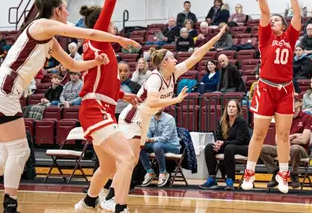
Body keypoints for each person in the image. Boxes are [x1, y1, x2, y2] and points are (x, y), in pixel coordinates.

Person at [0, 0, 136, 212]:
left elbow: (73, 66)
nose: (68, 12)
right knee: (19, 152)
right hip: (2, 88)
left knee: (9, 155)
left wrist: (95, 61)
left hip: (1, 90)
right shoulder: (42, 25)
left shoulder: (49, 39)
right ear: (56, 11)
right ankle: (10, 205)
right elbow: (89, 32)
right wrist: (119, 39)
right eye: (65, 9)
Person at [102, 27, 227, 210]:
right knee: (129, 161)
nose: (176, 59)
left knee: (131, 161)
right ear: (165, 63)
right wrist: (176, 99)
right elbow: (151, 103)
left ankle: (110, 196)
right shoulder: (155, 78)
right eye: (172, 57)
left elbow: (196, 56)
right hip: (132, 118)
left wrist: (214, 39)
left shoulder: (173, 73)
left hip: (144, 121)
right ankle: (115, 200)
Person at [74, 0, 142, 213]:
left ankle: (88, 202)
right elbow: (111, 0)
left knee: (109, 165)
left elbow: (103, 85)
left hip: (102, 107)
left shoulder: (106, 50)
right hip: (94, 110)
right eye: (110, 23)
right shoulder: (98, 37)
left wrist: (123, 95)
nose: (114, 26)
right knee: (127, 158)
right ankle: (120, 207)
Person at [242, 0, 302, 194]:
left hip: (286, 89)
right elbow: (265, 13)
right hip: (266, 88)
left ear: (283, 26)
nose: (274, 21)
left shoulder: (290, 37)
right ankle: (249, 172)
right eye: (273, 20)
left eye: (278, 20)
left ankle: (283, 174)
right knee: (258, 134)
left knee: (283, 135)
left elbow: (297, 15)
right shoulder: (265, 37)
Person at [261, 97, 312, 189]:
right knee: (261, 148)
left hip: (301, 150)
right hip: (283, 147)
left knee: (294, 148)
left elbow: (304, 139)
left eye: (293, 103)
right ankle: (275, 172)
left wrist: (287, 138)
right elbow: (277, 140)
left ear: (299, 104)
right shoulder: (282, 118)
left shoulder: (307, 117)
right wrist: (294, 136)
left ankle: (294, 174)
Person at [199, 100, 251, 190]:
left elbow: (239, 140)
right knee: (208, 147)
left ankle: (230, 180)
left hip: (243, 147)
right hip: (227, 146)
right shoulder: (222, 120)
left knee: (229, 148)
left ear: (237, 110)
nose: (231, 108)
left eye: (233, 107)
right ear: (226, 109)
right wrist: (218, 143)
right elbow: (218, 136)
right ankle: (212, 178)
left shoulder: (241, 122)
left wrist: (223, 143)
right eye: (229, 106)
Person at [139, 110, 181, 188]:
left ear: (163, 107)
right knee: (140, 146)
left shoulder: (169, 119)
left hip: (172, 146)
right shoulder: (150, 118)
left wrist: (151, 140)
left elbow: (165, 138)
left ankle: (163, 172)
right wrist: (145, 138)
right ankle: (150, 172)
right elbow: (148, 135)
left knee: (156, 146)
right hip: (157, 144)